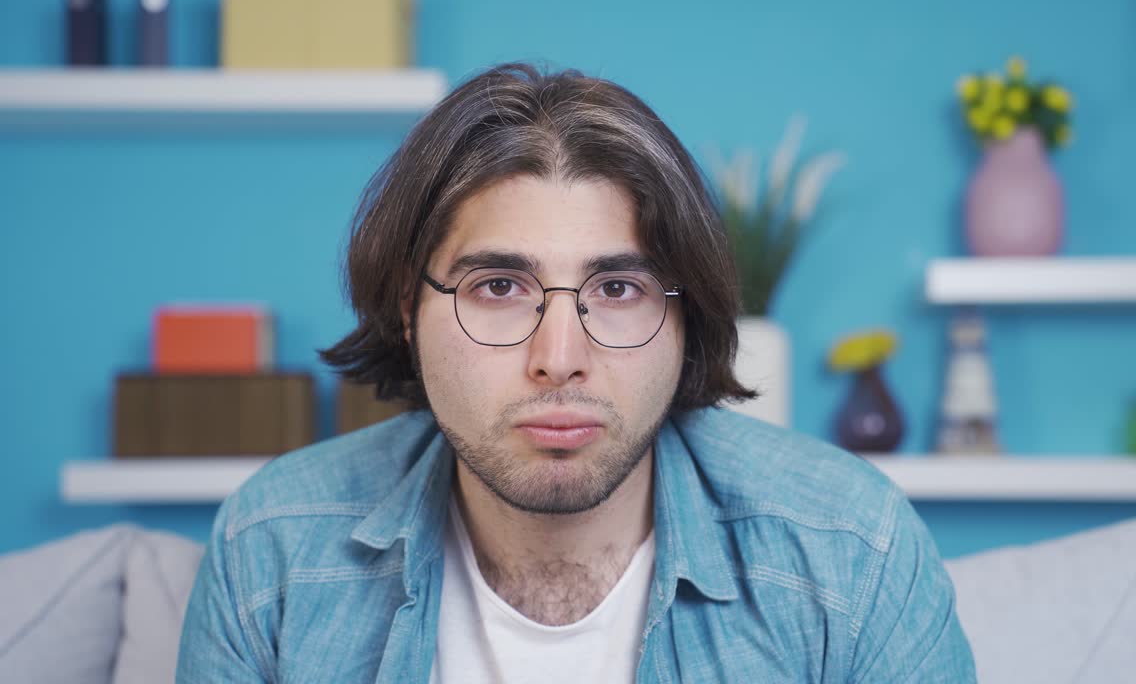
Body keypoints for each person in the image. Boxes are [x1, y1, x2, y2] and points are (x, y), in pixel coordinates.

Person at [177, 62, 976, 683]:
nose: (559, 358)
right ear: (407, 309)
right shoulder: (271, 550)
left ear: (684, 315)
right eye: (498, 288)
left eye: (617, 289)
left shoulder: (851, 550)